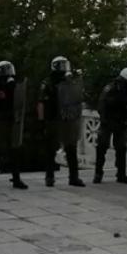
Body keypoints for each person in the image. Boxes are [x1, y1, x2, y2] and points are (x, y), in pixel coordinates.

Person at [38, 56, 85, 188]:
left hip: (67, 118)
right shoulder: (48, 83)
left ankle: (74, 177)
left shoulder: (69, 81)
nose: (65, 68)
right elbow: (41, 103)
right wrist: (42, 121)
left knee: (71, 148)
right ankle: (49, 177)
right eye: (62, 65)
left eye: (65, 65)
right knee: (51, 150)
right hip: (53, 119)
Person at [0, 61, 28, 191]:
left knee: (14, 150)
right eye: (6, 70)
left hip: (12, 120)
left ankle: (16, 179)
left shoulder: (13, 85)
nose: (9, 73)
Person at [94, 67, 127, 184]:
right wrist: (104, 119)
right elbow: (102, 103)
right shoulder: (112, 87)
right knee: (102, 147)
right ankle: (98, 174)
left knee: (121, 149)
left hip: (120, 122)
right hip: (108, 121)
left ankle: (121, 174)